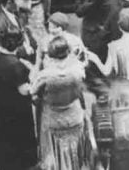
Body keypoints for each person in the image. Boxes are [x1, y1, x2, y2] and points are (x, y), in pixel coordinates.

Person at [32, 36, 92, 170]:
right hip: (74, 116)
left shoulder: (45, 75)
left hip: (53, 119)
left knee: (55, 155)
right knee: (75, 151)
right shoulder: (78, 69)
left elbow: (33, 91)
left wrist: (35, 65)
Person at [0, 29, 37, 170]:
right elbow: (24, 91)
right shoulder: (15, 66)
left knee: (0, 143)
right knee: (15, 147)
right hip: (13, 113)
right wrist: (33, 71)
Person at [87, 8, 129, 108]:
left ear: (119, 26)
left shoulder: (114, 46)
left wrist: (94, 58)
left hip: (122, 97)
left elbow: (106, 72)